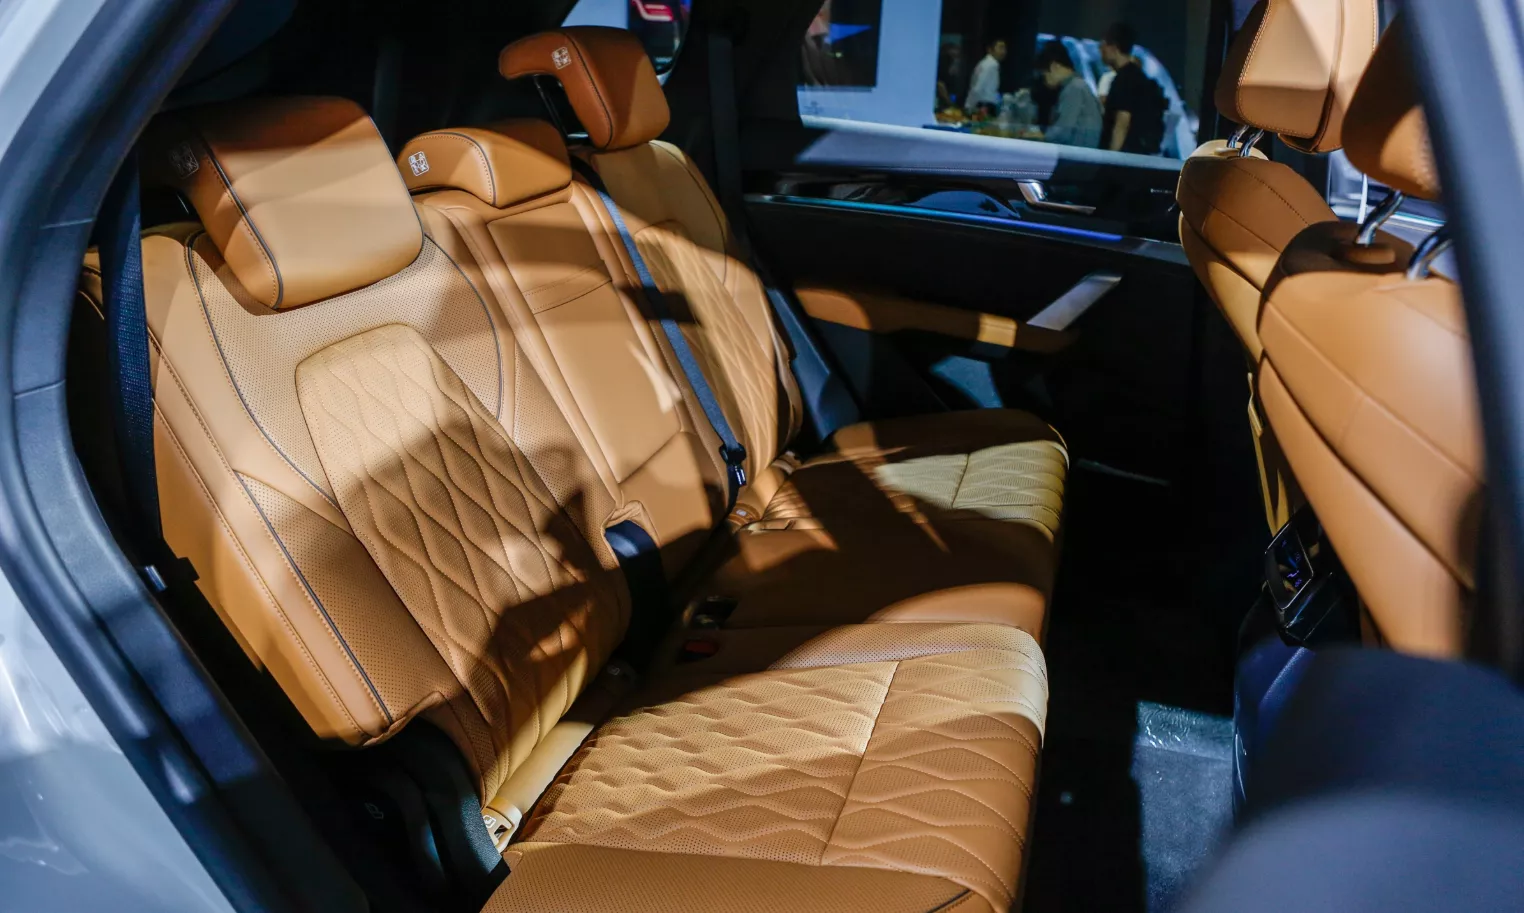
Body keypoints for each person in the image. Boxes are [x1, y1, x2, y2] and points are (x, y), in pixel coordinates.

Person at [1099, 22, 1167, 154]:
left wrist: (1111, 156)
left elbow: (1122, 121)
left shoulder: (1124, 79)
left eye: (1103, 46)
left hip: (1126, 155)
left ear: (1113, 47)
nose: (1100, 51)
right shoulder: (1139, 77)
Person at [1031, 40, 1102, 148]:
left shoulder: (1074, 88)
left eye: (1044, 75)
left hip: (1077, 155)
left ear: (1054, 66)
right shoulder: (1079, 86)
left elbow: (1062, 132)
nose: (1045, 82)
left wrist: (1040, 137)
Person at [965, 38, 1006, 114]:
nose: (1003, 52)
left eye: (1004, 48)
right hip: (984, 106)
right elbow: (978, 87)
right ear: (990, 50)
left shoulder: (985, 63)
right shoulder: (990, 65)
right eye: (1000, 48)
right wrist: (969, 106)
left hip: (983, 104)